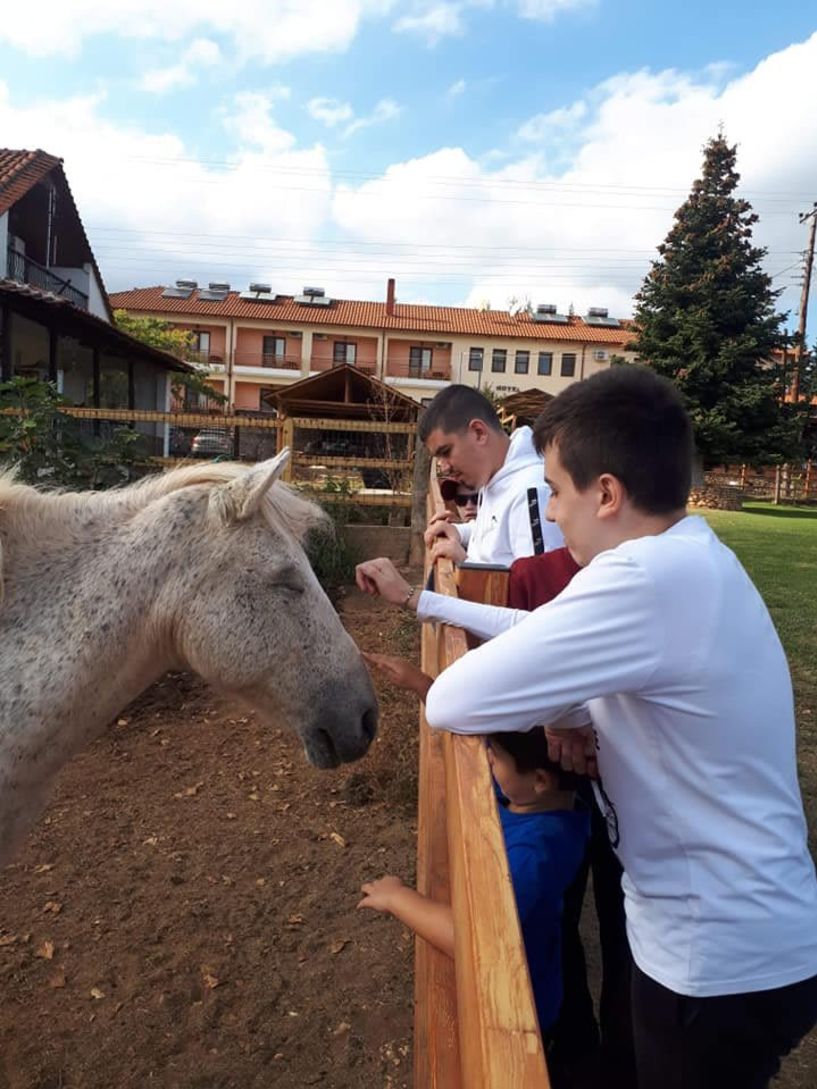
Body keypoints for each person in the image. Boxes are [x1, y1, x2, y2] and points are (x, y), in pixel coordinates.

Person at [357, 365, 817, 1089]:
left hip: (712, 962)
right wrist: (571, 707)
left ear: (605, 493)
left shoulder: (638, 578)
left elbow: (454, 701)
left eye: (559, 491)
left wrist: (565, 706)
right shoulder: (689, 559)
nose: (556, 513)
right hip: (745, 940)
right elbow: (541, 631)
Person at [356, 671, 589, 1048]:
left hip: (517, 1015)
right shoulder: (537, 803)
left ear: (541, 780)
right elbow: (476, 745)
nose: (488, 766)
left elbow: (472, 940)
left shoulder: (532, 859)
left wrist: (399, 898)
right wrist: (426, 691)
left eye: (495, 760)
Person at [420, 384, 563, 565]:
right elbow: (498, 536)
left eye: (446, 452)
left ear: (479, 433)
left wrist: (466, 565)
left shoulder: (531, 493)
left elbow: (541, 588)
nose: (443, 467)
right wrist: (460, 532)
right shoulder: (496, 474)